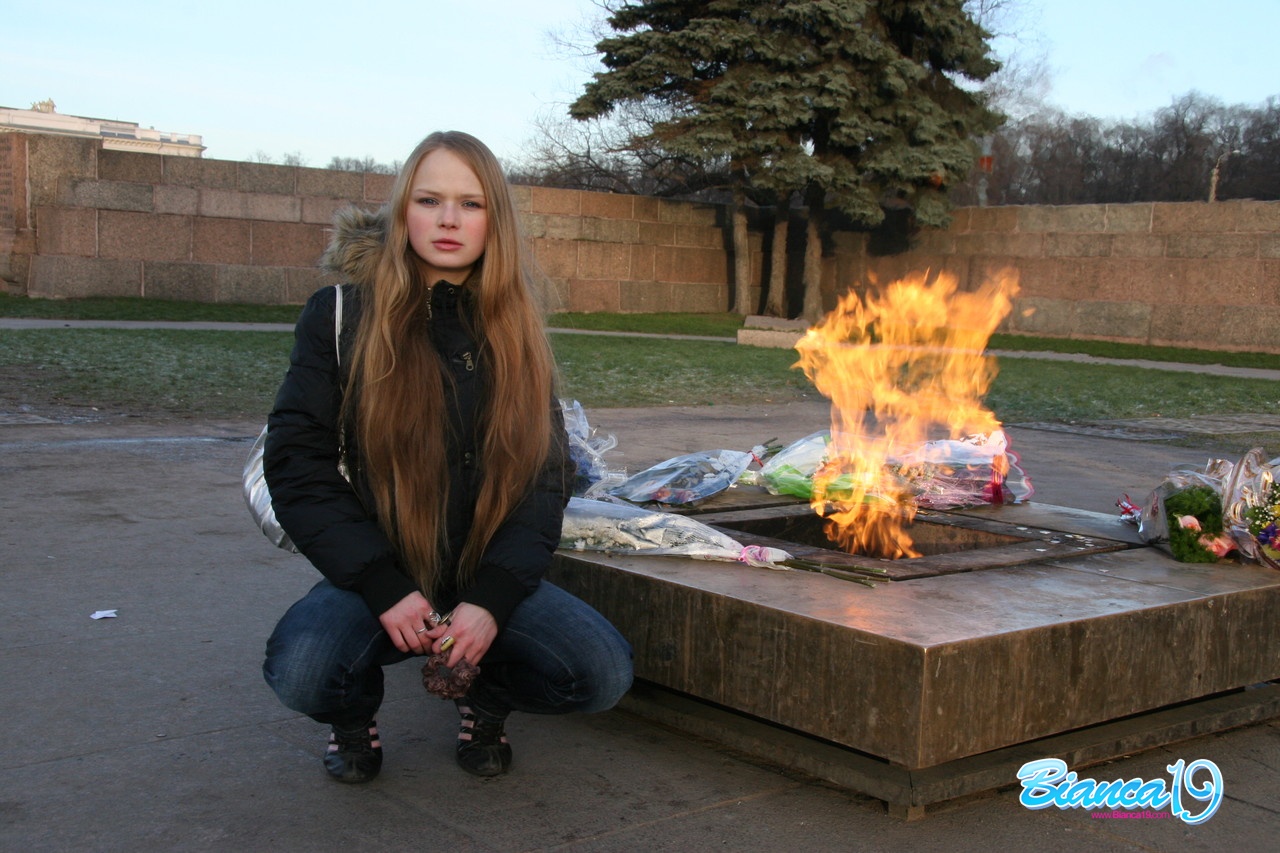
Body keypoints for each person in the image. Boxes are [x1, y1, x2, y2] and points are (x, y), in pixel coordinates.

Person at [261, 130, 633, 783]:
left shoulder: (515, 329)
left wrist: (492, 600)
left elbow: (545, 479)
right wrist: (383, 587)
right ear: (403, 211)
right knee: (302, 670)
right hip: (379, 572)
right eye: (430, 200)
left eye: (471, 203)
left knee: (601, 673)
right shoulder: (341, 316)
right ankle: (353, 715)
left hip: (485, 570)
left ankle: (484, 697)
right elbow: (298, 462)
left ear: (495, 220)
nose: (450, 220)